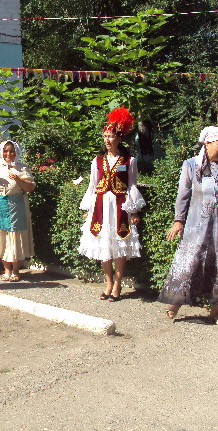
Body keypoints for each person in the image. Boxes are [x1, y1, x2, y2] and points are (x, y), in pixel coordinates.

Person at [158, 126, 218, 326]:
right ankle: (174, 304)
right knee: (189, 261)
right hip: (196, 225)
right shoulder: (192, 165)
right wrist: (178, 221)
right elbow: (183, 195)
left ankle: (215, 312)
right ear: (207, 144)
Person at [78, 106, 145, 302]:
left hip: (119, 206)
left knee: (119, 244)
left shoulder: (129, 160)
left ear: (119, 138)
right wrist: (88, 209)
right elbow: (92, 186)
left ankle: (117, 284)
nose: (107, 140)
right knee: (103, 244)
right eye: (105, 136)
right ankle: (107, 282)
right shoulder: (97, 161)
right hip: (100, 206)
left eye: (111, 136)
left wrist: (134, 210)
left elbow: (131, 185)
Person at [0, 140, 35, 282]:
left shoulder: (21, 168)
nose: (8, 154)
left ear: (16, 152)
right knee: (2, 237)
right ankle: (6, 270)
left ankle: (16, 270)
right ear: (1, 152)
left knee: (15, 237)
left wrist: (18, 179)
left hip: (16, 206)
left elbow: (30, 188)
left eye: (11, 151)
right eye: (6, 151)